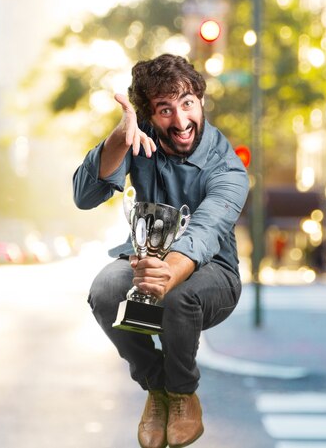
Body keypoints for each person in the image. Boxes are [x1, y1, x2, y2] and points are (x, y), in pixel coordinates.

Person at [73, 54, 249, 448]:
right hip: (143, 261)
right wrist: (118, 138)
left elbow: (204, 233)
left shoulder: (228, 169)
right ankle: (157, 387)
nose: (180, 120)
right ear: (149, 116)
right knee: (104, 291)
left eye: (187, 103)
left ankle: (183, 393)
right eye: (165, 109)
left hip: (211, 277)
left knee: (177, 296)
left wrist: (167, 271)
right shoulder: (139, 142)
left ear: (201, 100)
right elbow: (84, 197)